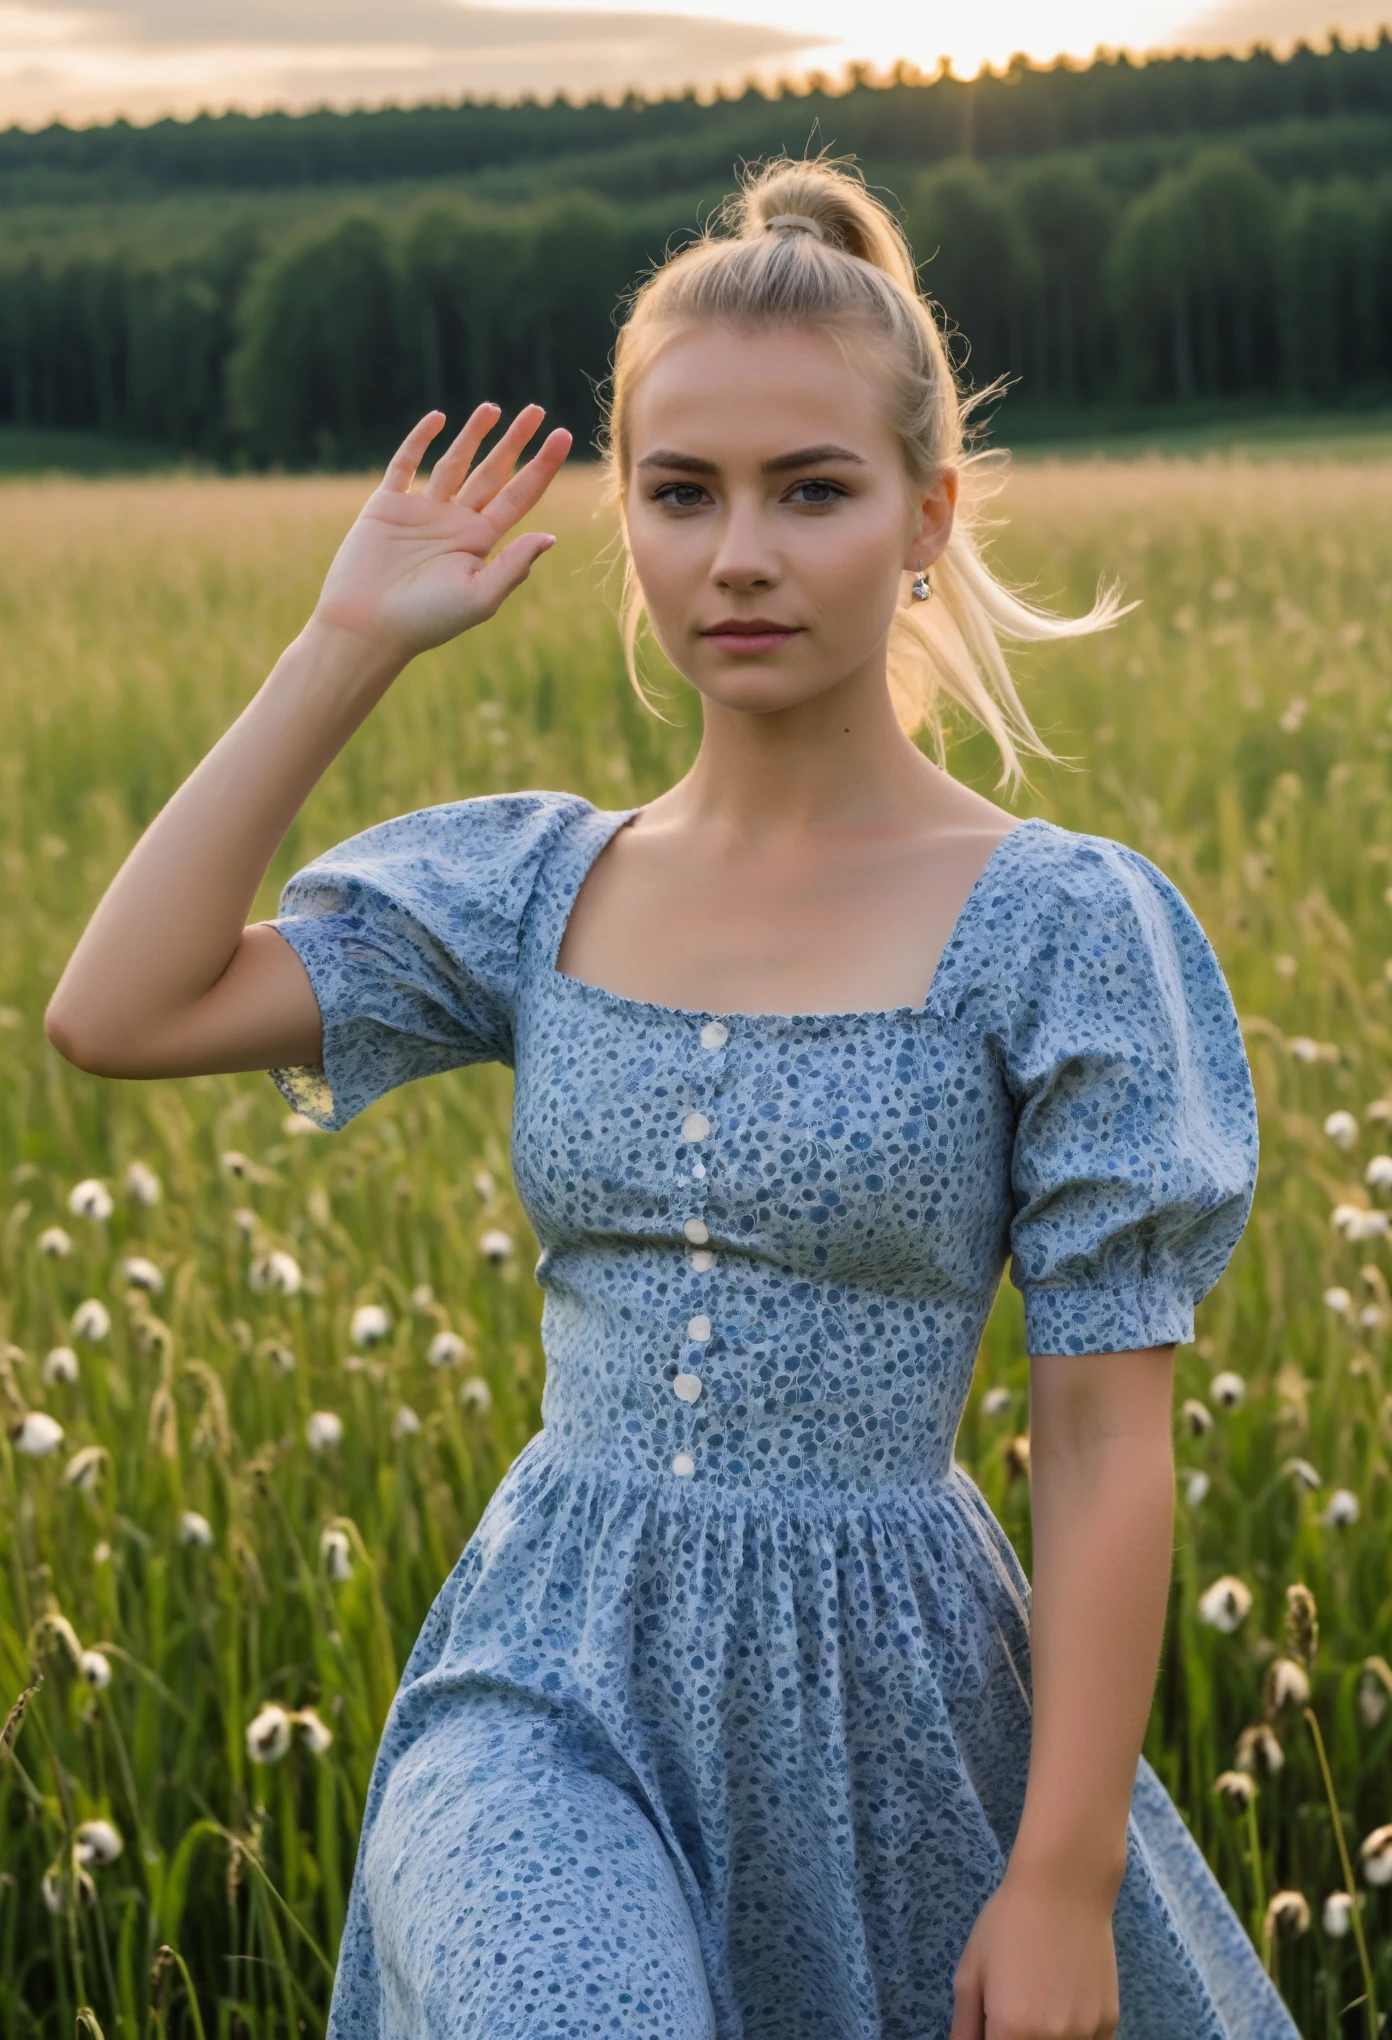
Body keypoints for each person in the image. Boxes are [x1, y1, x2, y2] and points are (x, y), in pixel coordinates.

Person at [45, 158, 1297, 2040]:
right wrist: (349, 641)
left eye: (812, 490)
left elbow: (1107, 1437)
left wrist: (1063, 1872)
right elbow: (117, 1008)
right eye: (680, 491)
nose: (741, 556)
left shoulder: (1059, 930)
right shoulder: (537, 887)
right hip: (547, 1678)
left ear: (926, 516)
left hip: (901, 1701)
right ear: (620, 514)